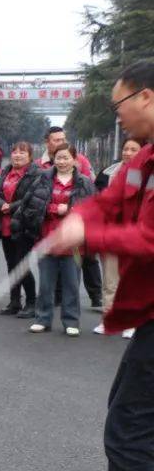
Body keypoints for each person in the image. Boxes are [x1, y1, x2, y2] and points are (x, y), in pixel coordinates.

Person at [54, 60, 154, 471]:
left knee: (129, 422)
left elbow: (147, 239)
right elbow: (113, 200)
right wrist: (80, 218)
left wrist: (85, 238)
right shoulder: (146, 159)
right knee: (137, 412)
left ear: (147, 97)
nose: (118, 118)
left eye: (120, 105)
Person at [29, 144, 95, 336]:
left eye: (66, 158)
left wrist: (71, 211)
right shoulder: (43, 179)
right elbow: (34, 203)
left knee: (71, 284)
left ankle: (71, 320)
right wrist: (54, 209)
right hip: (47, 239)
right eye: (59, 157)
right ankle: (42, 318)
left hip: (74, 244)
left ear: (74, 160)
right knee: (46, 284)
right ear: (53, 159)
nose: (62, 162)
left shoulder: (84, 182)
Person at [41, 126, 103, 307]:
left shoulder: (81, 161)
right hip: (52, 227)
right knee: (56, 263)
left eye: (62, 139)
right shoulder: (41, 164)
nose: (60, 142)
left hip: (77, 225)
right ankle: (57, 298)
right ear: (48, 142)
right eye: (56, 140)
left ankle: (95, 295)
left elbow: (90, 187)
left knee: (87, 260)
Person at [94, 137, 142, 335]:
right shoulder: (107, 174)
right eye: (126, 149)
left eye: (133, 149)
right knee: (110, 281)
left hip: (135, 235)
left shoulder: (147, 174)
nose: (128, 153)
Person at [0, 142, 40, 317]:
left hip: (24, 226)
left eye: (22, 152)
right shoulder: (5, 172)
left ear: (30, 156)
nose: (17, 155)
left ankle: (31, 302)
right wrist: (1, 205)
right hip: (5, 226)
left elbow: (33, 198)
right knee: (12, 265)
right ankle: (14, 301)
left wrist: (10, 207)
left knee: (22, 265)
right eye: (14, 152)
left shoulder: (36, 174)